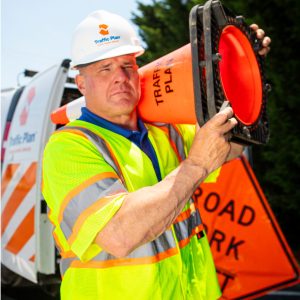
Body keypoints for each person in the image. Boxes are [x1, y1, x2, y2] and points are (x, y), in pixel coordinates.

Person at [42, 10, 271, 300]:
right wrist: (197, 164)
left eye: (127, 65)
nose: (121, 78)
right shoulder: (69, 147)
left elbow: (229, 147)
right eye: (104, 69)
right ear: (82, 83)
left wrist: (247, 70)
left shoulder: (165, 129)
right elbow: (118, 235)